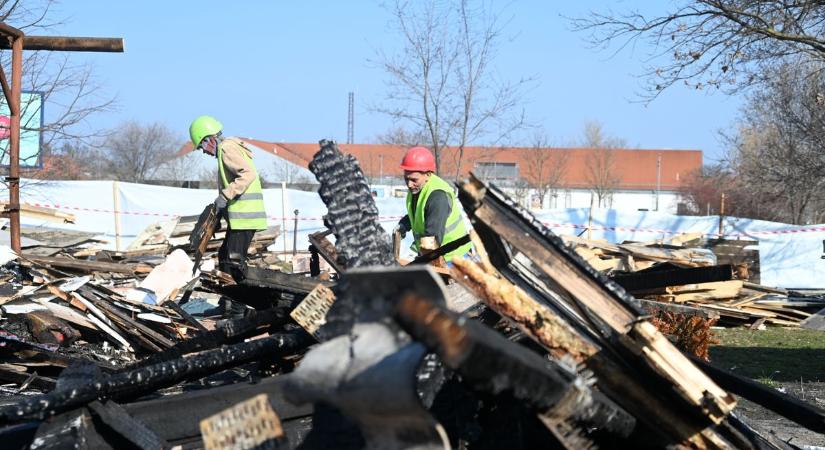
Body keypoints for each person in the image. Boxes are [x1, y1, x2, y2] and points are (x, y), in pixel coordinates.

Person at [189, 115, 268, 283]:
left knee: (232, 261)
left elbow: (248, 174)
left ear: (209, 139)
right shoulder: (228, 148)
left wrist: (225, 196)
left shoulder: (226, 149)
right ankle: (230, 302)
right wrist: (221, 212)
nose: (203, 151)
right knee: (225, 256)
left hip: (245, 218)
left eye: (201, 146)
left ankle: (238, 308)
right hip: (242, 218)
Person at [394, 146, 472, 262]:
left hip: (452, 257)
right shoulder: (418, 188)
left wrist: (414, 255)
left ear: (428, 175)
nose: (409, 184)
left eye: (414, 180)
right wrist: (404, 224)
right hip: (434, 253)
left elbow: (432, 239)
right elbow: (419, 215)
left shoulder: (438, 197)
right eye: (406, 179)